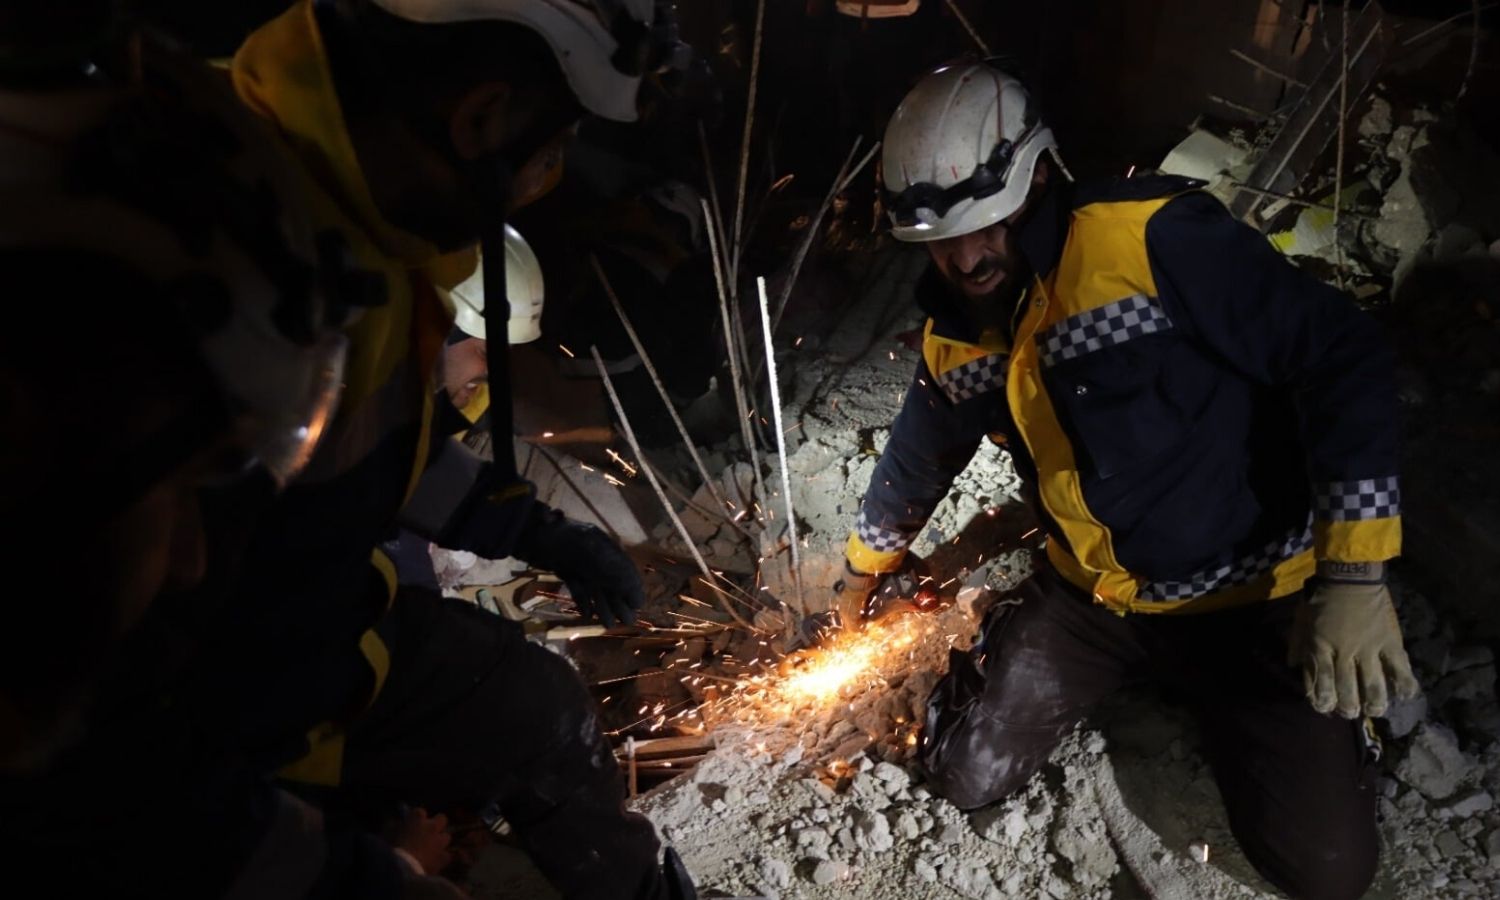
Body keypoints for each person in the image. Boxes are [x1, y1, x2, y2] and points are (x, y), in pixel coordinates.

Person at [834, 60, 1418, 900]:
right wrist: (867, 565)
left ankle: (1310, 725)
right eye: (937, 242)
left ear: (1036, 177)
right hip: (1095, 602)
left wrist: (1354, 576)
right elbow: (921, 453)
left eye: (982, 227)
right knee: (965, 772)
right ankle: (1066, 655)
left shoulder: (1150, 242)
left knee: (1328, 873)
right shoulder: (956, 332)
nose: (964, 259)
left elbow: (1341, 355)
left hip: (1254, 598)